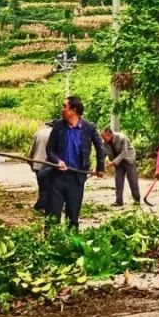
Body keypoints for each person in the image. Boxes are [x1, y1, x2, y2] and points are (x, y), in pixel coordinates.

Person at [45, 96, 105, 228]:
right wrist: (57, 161)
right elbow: (50, 149)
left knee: (72, 216)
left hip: (76, 178)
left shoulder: (89, 128)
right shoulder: (58, 127)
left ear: (74, 110)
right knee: (52, 216)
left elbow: (100, 148)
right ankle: (50, 243)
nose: (62, 109)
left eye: (64, 106)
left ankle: (71, 244)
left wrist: (100, 168)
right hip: (57, 178)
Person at [101, 127, 141, 207]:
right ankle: (119, 201)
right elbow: (103, 154)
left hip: (128, 159)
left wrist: (113, 162)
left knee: (132, 180)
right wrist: (100, 166)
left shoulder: (122, 138)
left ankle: (137, 199)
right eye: (103, 138)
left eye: (105, 138)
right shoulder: (105, 143)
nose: (104, 140)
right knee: (118, 181)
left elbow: (124, 152)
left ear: (110, 134)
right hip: (118, 163)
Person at [29, 120, 55, 213]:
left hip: (37, 162)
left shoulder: (39, 132)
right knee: (48, 187)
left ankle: (44, 205)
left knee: (42, 186)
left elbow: (32, 148)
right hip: (49, 164)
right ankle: (40, 206)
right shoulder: (54, 134)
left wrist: (30, 161)